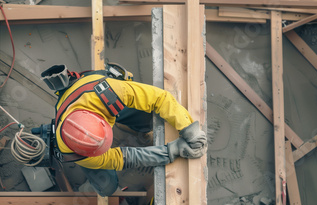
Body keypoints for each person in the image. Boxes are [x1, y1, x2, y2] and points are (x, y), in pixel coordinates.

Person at [40, 64, 207, 196]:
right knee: (106, 187)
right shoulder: (74, 152)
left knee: (145, 118)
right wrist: (172, 151)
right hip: (76, 106)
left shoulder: (106, 91)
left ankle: (139, 126)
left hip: (90, 88)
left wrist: (190, 129)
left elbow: (159, 98)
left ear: (102, 118)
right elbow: (125, 157)